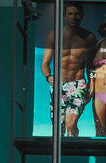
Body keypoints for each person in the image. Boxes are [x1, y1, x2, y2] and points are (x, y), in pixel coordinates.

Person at [41, 2, 97, 137]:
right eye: (70, 14)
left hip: (78, 84)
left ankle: (73, 143)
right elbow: (45, 63)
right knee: (59, 128)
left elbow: (92, 64)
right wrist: (49, 77)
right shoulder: (54, 36)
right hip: (58, 85)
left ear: (82, 16)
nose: (73, 17)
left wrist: (93, 84)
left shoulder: (89, 38)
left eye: (76, 14)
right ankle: (68, 151)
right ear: (65, 16)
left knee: (70, 124)